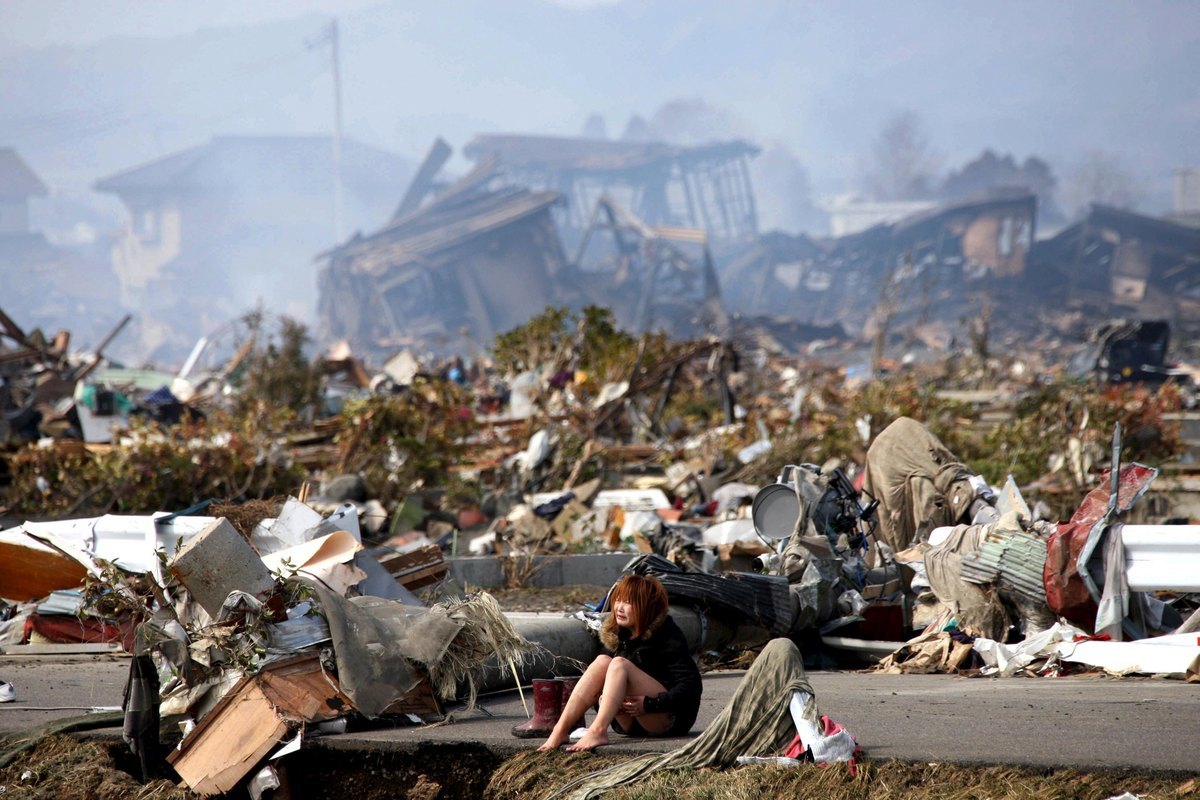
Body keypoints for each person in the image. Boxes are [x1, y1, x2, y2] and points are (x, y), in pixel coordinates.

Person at [537, 574, 702, 752]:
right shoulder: (618, 635)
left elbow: (691, 686)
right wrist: (604, 702)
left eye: (628, 602)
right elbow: (597, 687)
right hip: (628, 724)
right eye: (618, 601)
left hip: (665, 719)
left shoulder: (668, 634)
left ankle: (598, 730)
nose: (619, 608)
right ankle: (560, 730)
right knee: (602, 661)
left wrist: (649, 704)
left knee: (619, 664)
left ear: (647, 606)